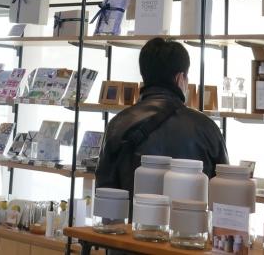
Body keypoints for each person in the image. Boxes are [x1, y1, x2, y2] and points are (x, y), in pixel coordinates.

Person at [94, 37, 228, 194]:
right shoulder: (206, 127)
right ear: (180, 78)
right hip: (189, 210)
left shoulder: (118, 124)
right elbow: (223, 190)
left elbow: (104, 190)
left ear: (144, 75)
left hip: (133, 210)